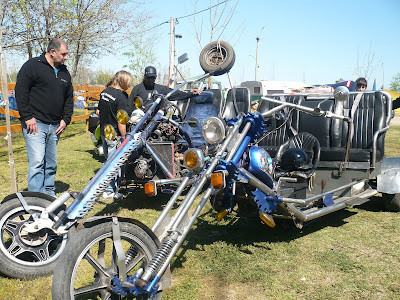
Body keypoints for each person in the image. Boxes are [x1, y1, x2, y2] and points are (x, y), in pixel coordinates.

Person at [15, 38, 73, 196]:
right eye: (64, 54)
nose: (66, 57)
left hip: (55, 126)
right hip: (36, 124)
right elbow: (21, 92)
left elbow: (69, 98)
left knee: (51, 164)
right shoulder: (32, 66)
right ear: (52, 52)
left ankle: (48, 195)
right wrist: (27, 116)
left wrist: (65, 119)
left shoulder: (64, 72)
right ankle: (35, 200)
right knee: (37, 163)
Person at [97, 70, 133, 199]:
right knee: (113, 164)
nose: (129, 85)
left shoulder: (104, 92)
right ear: (123, 81)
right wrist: (124, 138)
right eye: (128, 82)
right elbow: (121, 122)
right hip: (115, 135)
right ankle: (109, 190)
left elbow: (98, 112)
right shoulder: (121, 97)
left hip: (104, 132)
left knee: (108, 161)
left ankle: (106, 187)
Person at [127, 66, 213, 114]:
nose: (151, 80)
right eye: (149, 77)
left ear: (155, 77)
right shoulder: (137, 88)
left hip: (156, 121)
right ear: (145, 76)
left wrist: (191, 93)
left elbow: (176, 93)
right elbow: (129, 105)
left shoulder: (160, 89)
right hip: (140, 122)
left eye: (153, 77)